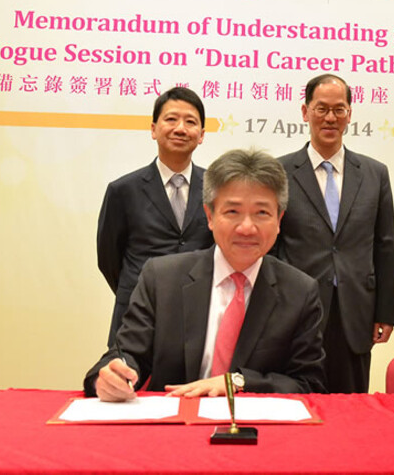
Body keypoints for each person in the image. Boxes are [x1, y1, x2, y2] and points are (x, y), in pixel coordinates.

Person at [84, 148, 327, 401]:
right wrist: (110, 376)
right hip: (174, 425)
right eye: (232, 211)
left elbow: (309, 384)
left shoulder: (300, 291)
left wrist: (237, 382)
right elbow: (127, 354)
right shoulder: (162, 278)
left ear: (279, 220)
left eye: (262, 213)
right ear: (210, 216)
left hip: (256, 430)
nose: (247, 227)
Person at [275, 73, 394, 394]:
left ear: (349, 115)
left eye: (339, 109)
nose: (330, 118)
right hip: (296, 307)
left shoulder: (375, 173)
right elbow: (271, 246)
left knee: (353, 408)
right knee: (299, 400)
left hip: (356, 310)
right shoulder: (279, 172)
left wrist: (386, 311)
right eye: (321, 109)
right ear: (305, 112)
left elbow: (385, 246)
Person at [97, 87, 214, 345]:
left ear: (202, 135)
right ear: (153, 129)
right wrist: (142, 288)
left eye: (190, 122)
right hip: (136, 317)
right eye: (171, 119)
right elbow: (109, 259)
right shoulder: (123, 190)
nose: (180, 128)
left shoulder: (217, 188)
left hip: (199, 317)